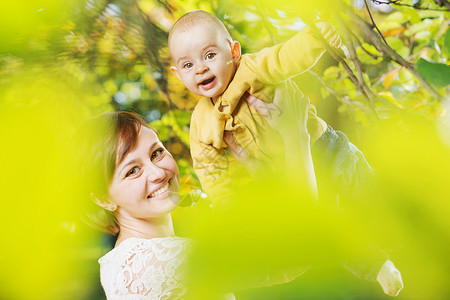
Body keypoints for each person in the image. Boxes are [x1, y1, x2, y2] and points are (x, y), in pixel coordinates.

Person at [168, 9, 342, 205]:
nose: (200, 69)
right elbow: (208, 167)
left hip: (326, 148)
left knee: (364, 193)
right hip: (286, 174)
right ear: (178, 74)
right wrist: (224, 203)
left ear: (234, 52)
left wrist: (316, 38)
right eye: (188, 65)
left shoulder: (251, 68)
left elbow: (285, 57)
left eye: (209, 55)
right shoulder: (201, 120)